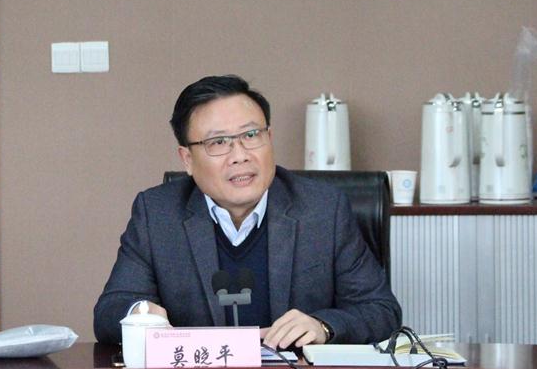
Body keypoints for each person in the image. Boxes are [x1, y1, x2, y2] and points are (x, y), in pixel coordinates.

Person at [94, 75, 401, 348]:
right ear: (187, 159)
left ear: (270, 138)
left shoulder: (322, 209)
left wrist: (323, 326)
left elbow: (381, 310)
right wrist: (140, 314)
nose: (240, 156)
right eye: (218, 142)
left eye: (251, 135)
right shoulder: (158, 215)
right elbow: (109, 312)